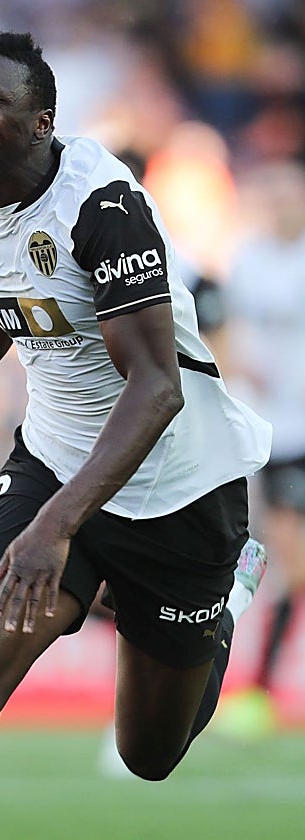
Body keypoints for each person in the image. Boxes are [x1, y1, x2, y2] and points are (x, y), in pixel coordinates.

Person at [0, 32, 272, 839]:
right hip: (55, 458)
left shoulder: (103, 207)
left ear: (42, 123)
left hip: (176, 485)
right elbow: (3, 291)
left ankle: (227, 597)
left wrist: (54, 529)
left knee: (148, 754)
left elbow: (157, 389)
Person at [215, 162, 305, 739]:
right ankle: (259, 690)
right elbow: (223, 330)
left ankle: (260, 689)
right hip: (276, 435)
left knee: (290, 562)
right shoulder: (247, 260)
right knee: (288, 559)